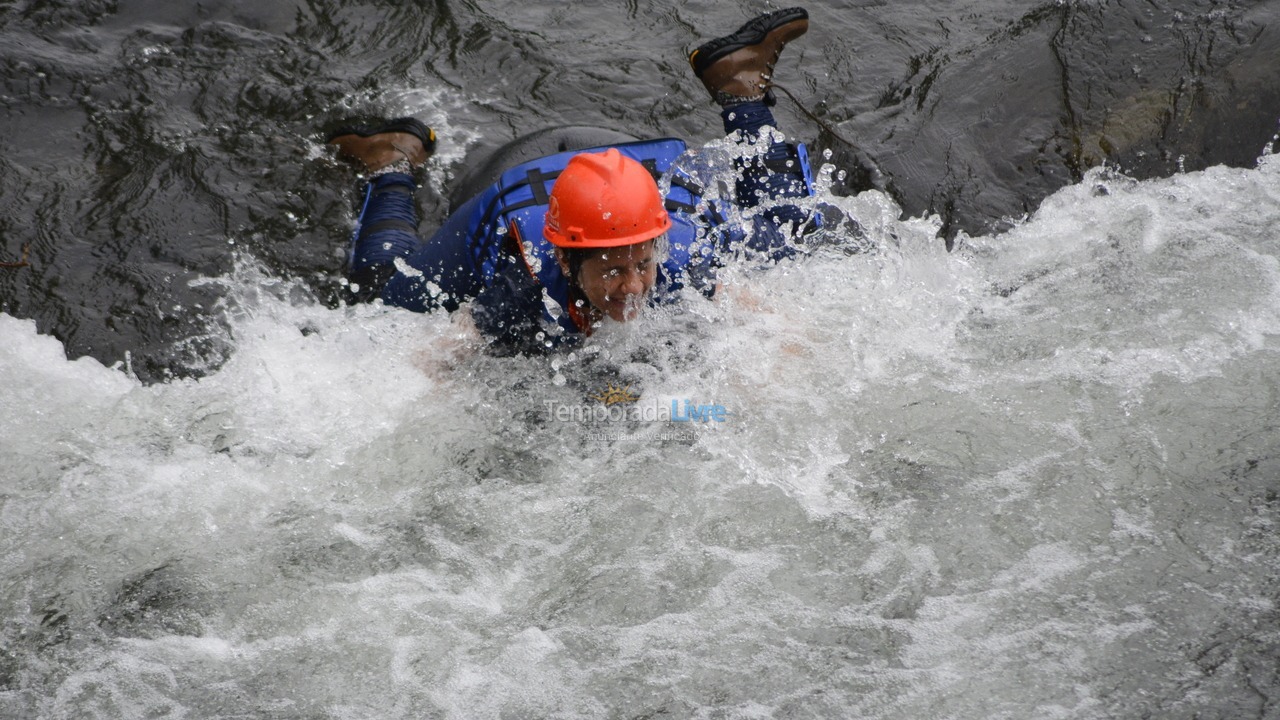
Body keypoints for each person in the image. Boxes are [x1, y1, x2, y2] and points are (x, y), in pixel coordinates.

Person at [327, 7, 817, 353]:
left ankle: (740, 89)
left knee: (795, 246)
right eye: (611, 271)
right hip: (519, 186)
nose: (632, 288)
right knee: (383, 308)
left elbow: (779, 335)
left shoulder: (689, 264)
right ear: (564, 260)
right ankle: (391, 160)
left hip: (639, 171)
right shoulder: (524, 276)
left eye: (642, 265)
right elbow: (438, 356)